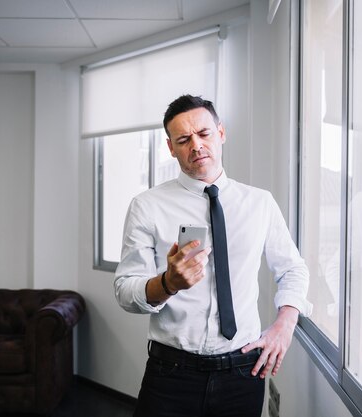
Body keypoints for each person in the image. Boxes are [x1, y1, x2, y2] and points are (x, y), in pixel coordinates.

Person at [114, 95, 312, 417]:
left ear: (221, 133)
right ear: (171, 148)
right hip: (171, 373)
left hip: (243, 371)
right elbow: (125, 290)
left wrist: (285, 324)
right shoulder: (147, 206)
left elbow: (293, 268)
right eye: (183, 139)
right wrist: (168, 283)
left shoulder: (260, 203)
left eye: (204, 134)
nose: (196, 145)